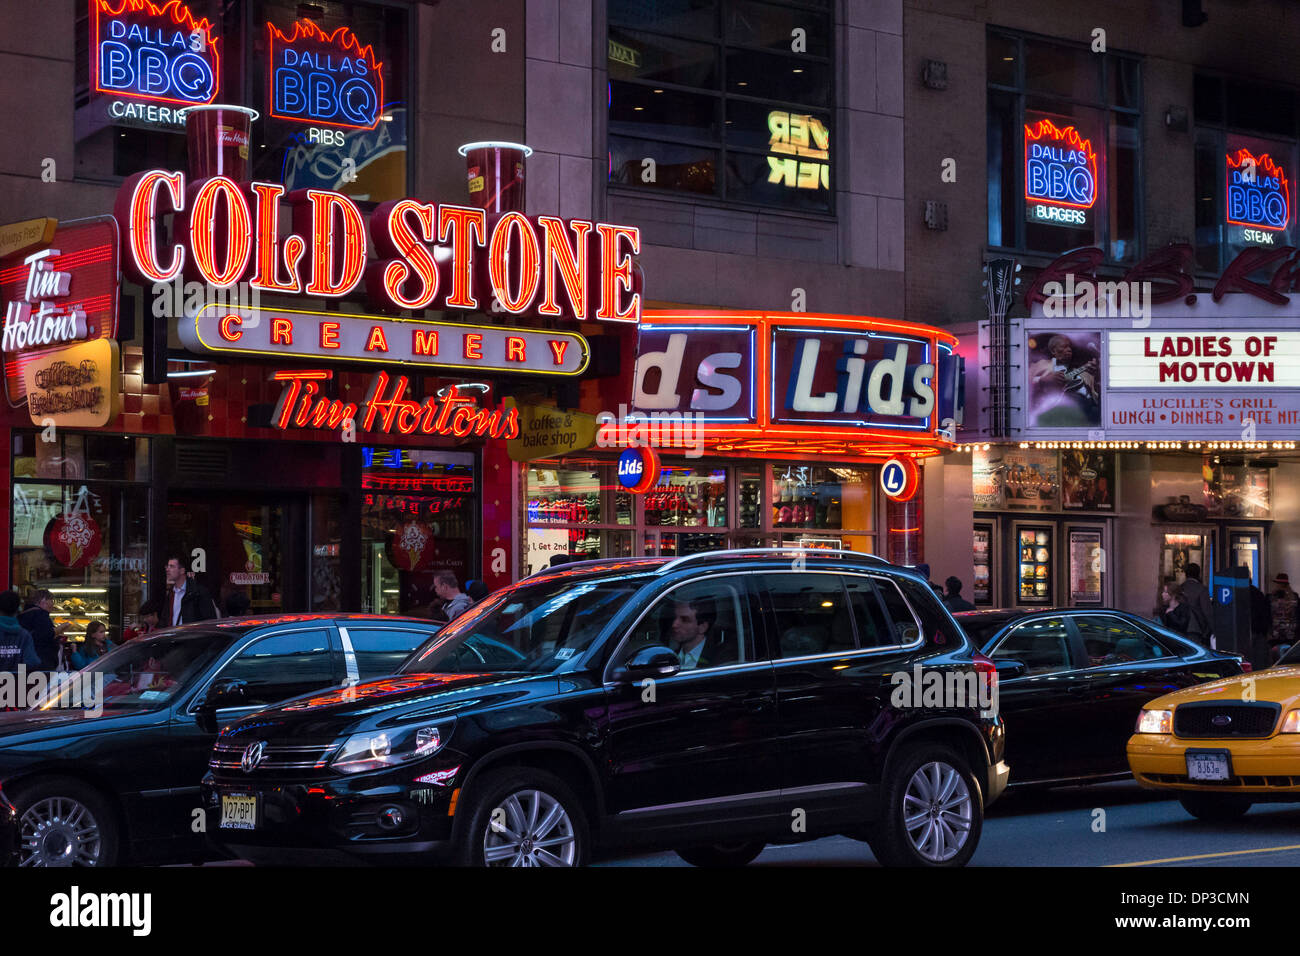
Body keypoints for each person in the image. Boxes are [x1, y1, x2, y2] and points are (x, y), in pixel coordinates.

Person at [666, 599, 731, 670]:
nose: (674, 625)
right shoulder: (670, 655)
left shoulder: (721, 660)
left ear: (702, 627)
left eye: (684, 619)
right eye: (675, 617)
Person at [18, 588, 71, 671]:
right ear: (43, 601)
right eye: (51, 601)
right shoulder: (40, 614)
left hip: (27, 661)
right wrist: (61, 627)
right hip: (41, 663)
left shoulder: (25, 614)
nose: (52, 604)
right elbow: (47, 635)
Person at [161, 555, 219, 626]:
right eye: (167, 566)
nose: (167, 569)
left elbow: (209, 621)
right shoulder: (171, 593)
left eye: (172, 566)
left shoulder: (198, 592)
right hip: (173, 636)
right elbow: (164, 620)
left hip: (191, 636)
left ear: (182, 570)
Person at [0, 590, 40, 672]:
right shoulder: (24, 635)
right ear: (18, 609)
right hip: (17, 683)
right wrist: (16, 674)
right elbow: (32, 662)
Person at [1246, 569, 1273, 671]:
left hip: (1244, 631)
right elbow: (1265, 613)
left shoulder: (1238, 593)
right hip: (1258, 630)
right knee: (1259, 659)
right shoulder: (1258, 593)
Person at [1181, 563, 1214, 644]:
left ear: (1185, 574)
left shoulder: (1180, 588)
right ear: (1199, 574)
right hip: (1198, 628)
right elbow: (1207, 612)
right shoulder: (1202, 589)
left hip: (1181, 626)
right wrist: (1213, 630)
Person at [1269, 572, 1298, 665]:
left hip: (1275, 632)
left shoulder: (1271, 597)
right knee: (1290, 658)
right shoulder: (1294, 597)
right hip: (1291, 632)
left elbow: (1267, 615)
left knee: (1275, 658)